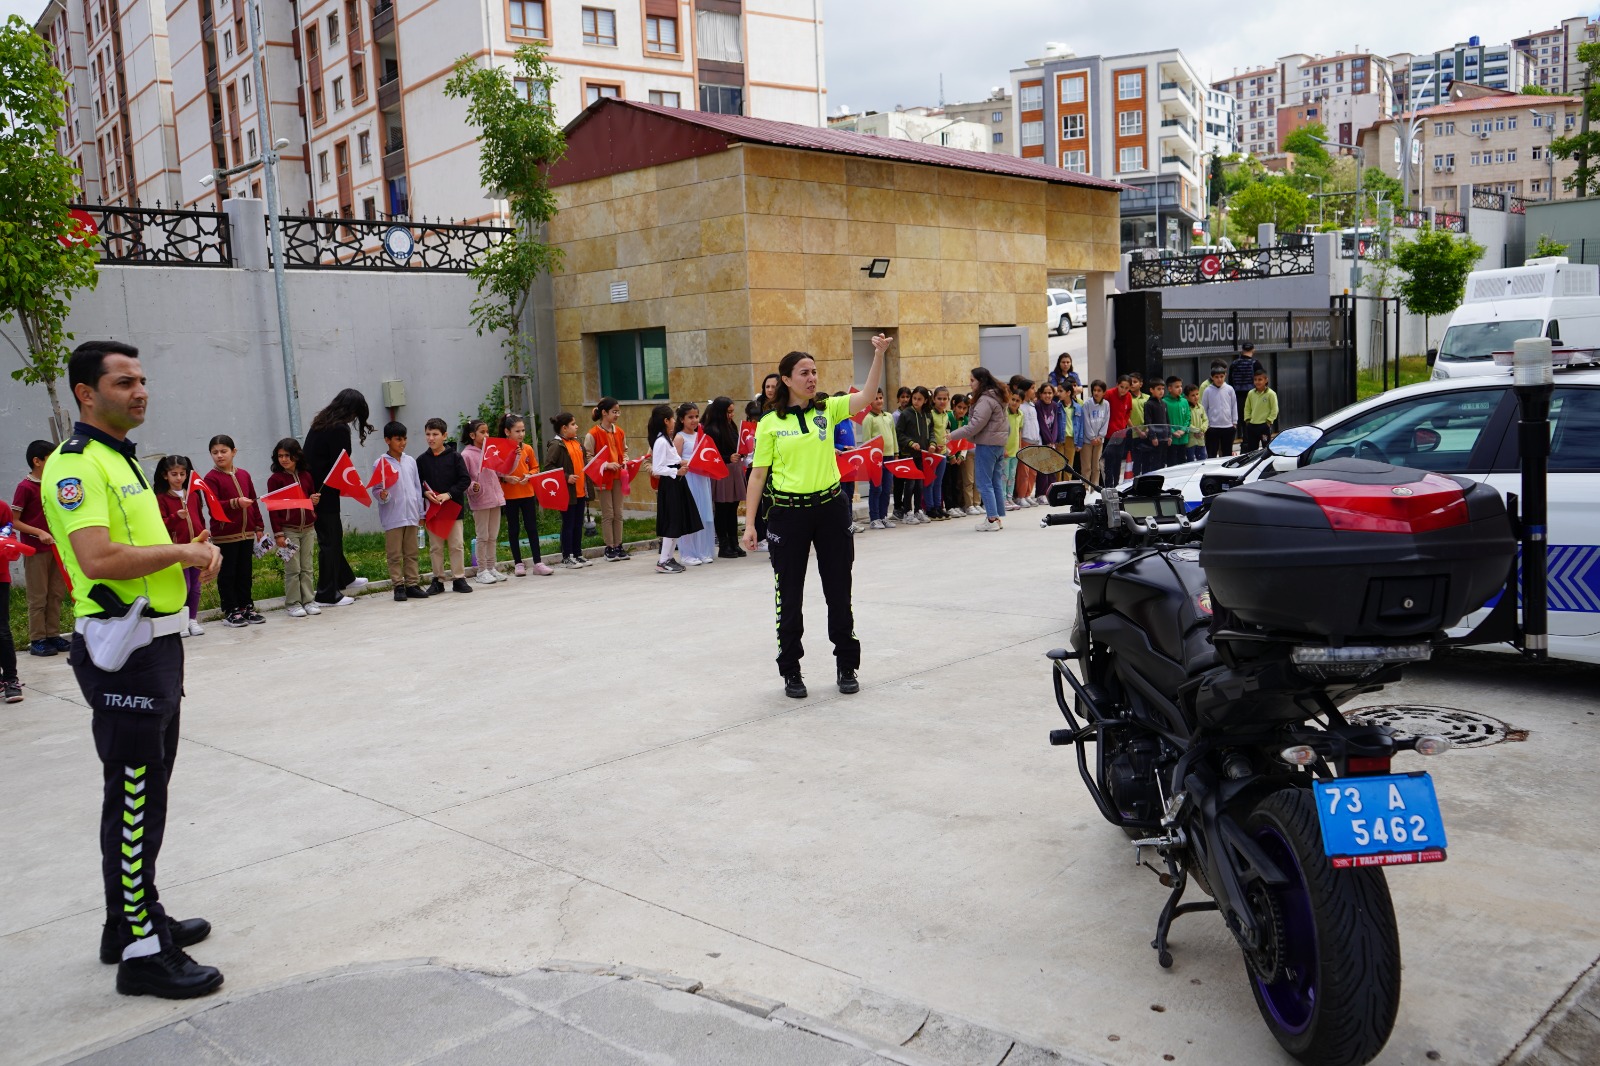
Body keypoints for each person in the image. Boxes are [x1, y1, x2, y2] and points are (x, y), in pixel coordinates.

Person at [43, 339, 224, 998]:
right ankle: (143, 954)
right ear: (85, 393)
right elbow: (97, 559)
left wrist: (186, 553)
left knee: (146, 793)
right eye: (123, 382)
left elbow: (139, 548)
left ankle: (131, 919)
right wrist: (182, 551)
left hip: (156, 647)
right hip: (124, 655)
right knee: (135, 798)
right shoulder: (76, 467)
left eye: (143, 379)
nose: (140, 390)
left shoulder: (123, 460)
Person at [742, 336, 886, 697]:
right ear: (786, 380)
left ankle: (846, 664)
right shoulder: (770, 423)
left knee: (839, 590)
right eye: (804, 373)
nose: (812, 378)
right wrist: (749, 525)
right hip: (788, 515)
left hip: (831, 509)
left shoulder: (828, 409)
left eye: (815, 372)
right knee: (788, 596)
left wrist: (879, 355)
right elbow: (758, 475)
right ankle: (791, 669)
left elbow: (866, 397)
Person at [304, 389, 374, 608]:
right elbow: (342, 460)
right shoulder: (339, 428)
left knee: (332, 535)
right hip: (325, 490)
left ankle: (344, 578)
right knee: (330, 539)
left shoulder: (320, 423)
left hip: (314, 487)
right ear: (352, 410)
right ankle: (327, 593)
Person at [14, 441, 71, 656]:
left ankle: (53, 635)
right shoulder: (25, 487)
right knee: (38, 595)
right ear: (36, 461)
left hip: (56, 548)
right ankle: (37, 638)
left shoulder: (54, 484)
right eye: (50, 458)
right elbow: (14, 520)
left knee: (56, 593)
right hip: (35, 550)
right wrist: (38, 532)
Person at [204, 435, 265, 629]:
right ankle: (230, 610)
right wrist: (235, 503)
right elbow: (213, 506)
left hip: (246, 533)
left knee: (245, 572)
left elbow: (253, 501)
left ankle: (247, 606)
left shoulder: (244, 475)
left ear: (234, 452)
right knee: (228, 573)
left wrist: (258, 527)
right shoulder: (211, 478)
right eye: (215, 452)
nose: (219, 456)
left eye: (224, 451)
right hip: (225, 534)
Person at [948, 367, 1010, 531]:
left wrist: (952, 435)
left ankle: (991, 520)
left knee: (983, 483)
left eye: (972, 380)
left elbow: (974, 426)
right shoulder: (997, 396)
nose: (970, 384)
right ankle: (995, 517)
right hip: (997, 445)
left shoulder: (985, 400)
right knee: (994, 481)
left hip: (987, 445)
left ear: (981, 381)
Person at [372, 422, 428, 602]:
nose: (402, 442)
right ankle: (398, 585)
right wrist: (383, 495)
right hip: (393, 516)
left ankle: (412, 583)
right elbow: (376, 490)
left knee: (411, 552)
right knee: (395, 554)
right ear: (387, 440)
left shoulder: (410, 461)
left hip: (411, 514)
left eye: (404, 438)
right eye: (398, 439)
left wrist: (421, 513)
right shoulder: (380, 463)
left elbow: (416, 488)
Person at [417, 418, 473, 594]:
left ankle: (459, 578)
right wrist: (425, 493)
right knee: (435, 547)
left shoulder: (455, 457)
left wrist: (448, 495)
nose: (431, 438)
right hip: (433, 511)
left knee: (456, 545)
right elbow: (417, 483)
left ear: (444, 436)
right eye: (428, 434)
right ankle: (438, 580)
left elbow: (465, 479)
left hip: (453, 508)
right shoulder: (421, 460)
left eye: (435, 434)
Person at [265, 439, 319, 617]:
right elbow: (273, 510)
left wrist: (314, 501)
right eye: (280, 456)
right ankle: (293, 603)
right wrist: (278, 534)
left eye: (287, 455)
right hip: (289, 530)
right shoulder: (275, 480)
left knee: (307, 566)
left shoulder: (306, 475)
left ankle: (309, 601)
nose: (284, 459)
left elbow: (309, 499)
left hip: (308, 528)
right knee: (293, 568)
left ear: (296, 455)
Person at [154, 455, 207, 636]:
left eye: (182, 474)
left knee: (196, 586)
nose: (179, 478)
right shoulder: (161, 498)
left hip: (196, 546)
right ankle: (181, 622)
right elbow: (160, 524)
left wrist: (204, 536)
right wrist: (177, 516)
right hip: (177, 549)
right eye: (174, 474)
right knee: (184, 586)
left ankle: (192, 619)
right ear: (165, 475)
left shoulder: (192, 494)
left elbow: (200, 518)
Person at [498, 414, 552, 577]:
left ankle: (538, 562)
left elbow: (536, 467)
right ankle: (518, 563)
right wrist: (506, 478)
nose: (521, 434)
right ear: (507, 432)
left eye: (523, 430)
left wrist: (529, 475)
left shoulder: (527, 449)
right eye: (517, 431)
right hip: (509, 495)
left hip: (527, 493)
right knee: (513, 529)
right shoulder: (500, 449)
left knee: (532, 528)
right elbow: (496, 472)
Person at [649, 404, 700, 573]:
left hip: (677, 484)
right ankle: (663, 560)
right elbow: (657, 468)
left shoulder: (667, 440)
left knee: (677, 521)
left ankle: (669, 558)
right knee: (672, 522)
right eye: (671, 419)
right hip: (670, 485)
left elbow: (676, 459)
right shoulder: (661, 442)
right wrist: (676, 471)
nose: (673, 421)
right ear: (666, 421)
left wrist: (689, 463)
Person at [540, 412, 591, 570]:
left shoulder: (577, 442)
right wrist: (566, 477)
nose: (576, 427)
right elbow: (548, 467)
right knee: (568, 524)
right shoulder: (556, 445)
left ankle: (577, 554)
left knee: (577, 524)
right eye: (573, 424)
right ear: (564, 428)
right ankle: (566, 556)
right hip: (567, 492)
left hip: (580, 490)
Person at [459, 419, 506, 584]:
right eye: (482, 432)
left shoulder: (489, 450)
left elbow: (500, 470)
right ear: (472, 435)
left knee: (493, 536)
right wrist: (473, 487)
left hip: (495, 499)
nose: (486, 435)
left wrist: (513, 458)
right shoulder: (466, 455)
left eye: (487, 431)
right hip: (480, 501)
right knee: (483, 536)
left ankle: (492, 567)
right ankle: (481, 570)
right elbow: (463, 480)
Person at [703, 397, 747, 558]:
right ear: (720, 412)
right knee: (723, 509)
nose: (731, 415)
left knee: (732, 509)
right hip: (722, 473)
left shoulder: (731, 426)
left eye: (732, 411)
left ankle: (734, 542)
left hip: (734, 471)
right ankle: (724, 544)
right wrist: (728, 458)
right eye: (728, 412)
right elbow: (710, 454)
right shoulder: (712, 430)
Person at [586, 398, 629, 561]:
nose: (617, 414)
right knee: (608, 513)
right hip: (603, 478)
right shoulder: (593, 434)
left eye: (618, 411)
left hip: (618, 477)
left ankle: (619, 544)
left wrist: (624, 460)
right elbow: (588, 457)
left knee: (618, 513)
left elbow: (624, 450)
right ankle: (609, 547)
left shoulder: (620, 432)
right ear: (604, 413)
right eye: (614, 411)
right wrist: (605, 465)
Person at [675, 402, 716, 566]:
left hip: (702, 478)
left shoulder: (701, 434)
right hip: (689, 479)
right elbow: (675, 460)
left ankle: (703, 550)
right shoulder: (679, 437)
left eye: (696, 416)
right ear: (681, 419)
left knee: (704, 513)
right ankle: (687, 553)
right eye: (690, 417)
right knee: (691, 514)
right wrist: (692, 462)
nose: (694, 420)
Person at [749, 373, 781, 551]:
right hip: (761, 462)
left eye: (773, 386)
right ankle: (764, 535)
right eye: (767, 387)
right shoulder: (759, 409)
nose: (770, 390)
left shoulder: (785, 408)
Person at [860, 389, 897, 530]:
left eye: (881, 397)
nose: (879, 401)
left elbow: (893, 436)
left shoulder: (888, 416)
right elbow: (866, 441)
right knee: (877, 488)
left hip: (889, 456)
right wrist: (869, 459)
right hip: (875, 459)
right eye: (876, 398)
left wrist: (895, 453)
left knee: (887, 489)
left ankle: (883, 516)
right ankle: (874, 518)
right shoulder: (868, 419)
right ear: (870, 401)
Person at [894, 386, 932, 524]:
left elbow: (931, 431)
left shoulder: (927, 414)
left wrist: (932, 443)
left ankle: (917, 510)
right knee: (909, 484)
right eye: (914, 398)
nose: (916, 401)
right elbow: (899, 433)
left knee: (919, 484)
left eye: (919, 399)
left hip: (921, 454)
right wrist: (910, 443)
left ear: (926, 400)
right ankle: (907, 512)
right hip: (908, 454)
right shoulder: (906, 414)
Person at [1034, 382, 1067, 501]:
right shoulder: (1038, 405)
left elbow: (1056, 424)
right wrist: (1048, 440)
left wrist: (1053, 440)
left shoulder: (1054, 405)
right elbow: (1042, 424)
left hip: (1052, 442)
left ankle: (1051, 492)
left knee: (1052, 468)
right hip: (1043, 441)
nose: (1047, 396)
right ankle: (1041, 493)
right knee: (1043, 468)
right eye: (1045, 393)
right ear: (1040, 394)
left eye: (1050, 393)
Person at [1202, 363, 1239, 458]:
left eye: (1222, 376)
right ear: (1212, 377)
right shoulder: (1208, 391)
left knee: (1227, 453)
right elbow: (1204, 408)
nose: (1219, 379)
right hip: (1213, 427)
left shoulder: (1229, 389)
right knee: (1212, 453)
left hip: (1228, 426)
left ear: (1225, 376)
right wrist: (1207, 425)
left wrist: (1234, 422)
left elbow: (1234, 405)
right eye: (1216, 377)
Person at [1102, 374, 1132, 485]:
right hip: (1108, 434)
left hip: (1121, 434)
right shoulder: (1109, 394)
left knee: (1118, 461)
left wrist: (1124, 422)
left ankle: (1116, 484)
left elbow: (1128, 410)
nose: (1123, 390)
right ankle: (1109, 485)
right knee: (1108, 462)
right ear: (1117, 385)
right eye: (1121, 387)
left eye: (1126, 388)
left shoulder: (1129, 396)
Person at [1135, 379, 1170, 476]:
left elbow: (1167, 421)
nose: (1161, 391)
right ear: (1151, 390)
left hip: (1164, 437)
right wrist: (1153, 436)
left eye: (1163, 389)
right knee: (1155, 463)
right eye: (1158, 389)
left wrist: (1169, 435)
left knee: (1163, 462)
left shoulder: (1164, 404)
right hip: (1155, 439)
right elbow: (1148, 422)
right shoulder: (1149, 404)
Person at [1002, 379, 1027, 510]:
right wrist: (1003, 448)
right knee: (1004, 476)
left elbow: (1019, 430)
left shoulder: (1021, 414)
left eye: (1018, 401)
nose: (1014, 402)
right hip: (1005, 450)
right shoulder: (1005, 413)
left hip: (1015, 450)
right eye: (1013, 399)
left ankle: (1009, 498)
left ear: (1021, 402)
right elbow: (1001, 431)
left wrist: (1019, 447)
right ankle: (1002, 499)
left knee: (1012, 476)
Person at [1242, 369, 1280, 453]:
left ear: (1266, 380)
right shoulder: (1251, 393)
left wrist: (1269, 421)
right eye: (1255, 379)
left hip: (1264, 426)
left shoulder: (1271, 394)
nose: (1257, 382)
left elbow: (1275, 409)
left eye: (1260, 379)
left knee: (1266, 448)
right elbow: (1247, 408)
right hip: (1252, 426)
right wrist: (1247, 420)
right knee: (1251, 450)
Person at [1228, 344, 1263, 432]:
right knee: (1253, 420)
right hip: (1253, 396)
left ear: (1242, 350)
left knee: (1241, 419)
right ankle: (1248, 442)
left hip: (1237, 396)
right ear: (1253, 350)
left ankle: (1244, 441)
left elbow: (1230, 382)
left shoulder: (1234, 364)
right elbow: (1262, 381)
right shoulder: (1256, 363)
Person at [1080, 381, 1109, 485]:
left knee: (1096, 466)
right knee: (1086, 467)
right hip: (1088, 440)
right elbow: (1086, 421)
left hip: (1099, 440)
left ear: (1104, 392)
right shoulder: (1087, 404)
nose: (1096, 393)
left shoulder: (1106, 404)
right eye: (1094, 390)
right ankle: (1085, 487)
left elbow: (1106, 420)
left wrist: (1100, 436)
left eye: (1099, 390)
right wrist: (1092, 437)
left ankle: (1095, 487)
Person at [1164, 376, 1191, 468]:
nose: (1180, 389)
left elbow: (1188, 417)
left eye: (1181, 386)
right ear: (1170, 388)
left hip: (1183, 438)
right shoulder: (1164, 402)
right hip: (1171, 439)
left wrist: (1183, 430)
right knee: (1172, 463)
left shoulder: (1184, 401)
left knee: (1183, 462)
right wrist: (1172, 431)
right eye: (1177, 387)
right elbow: (1164, 420)